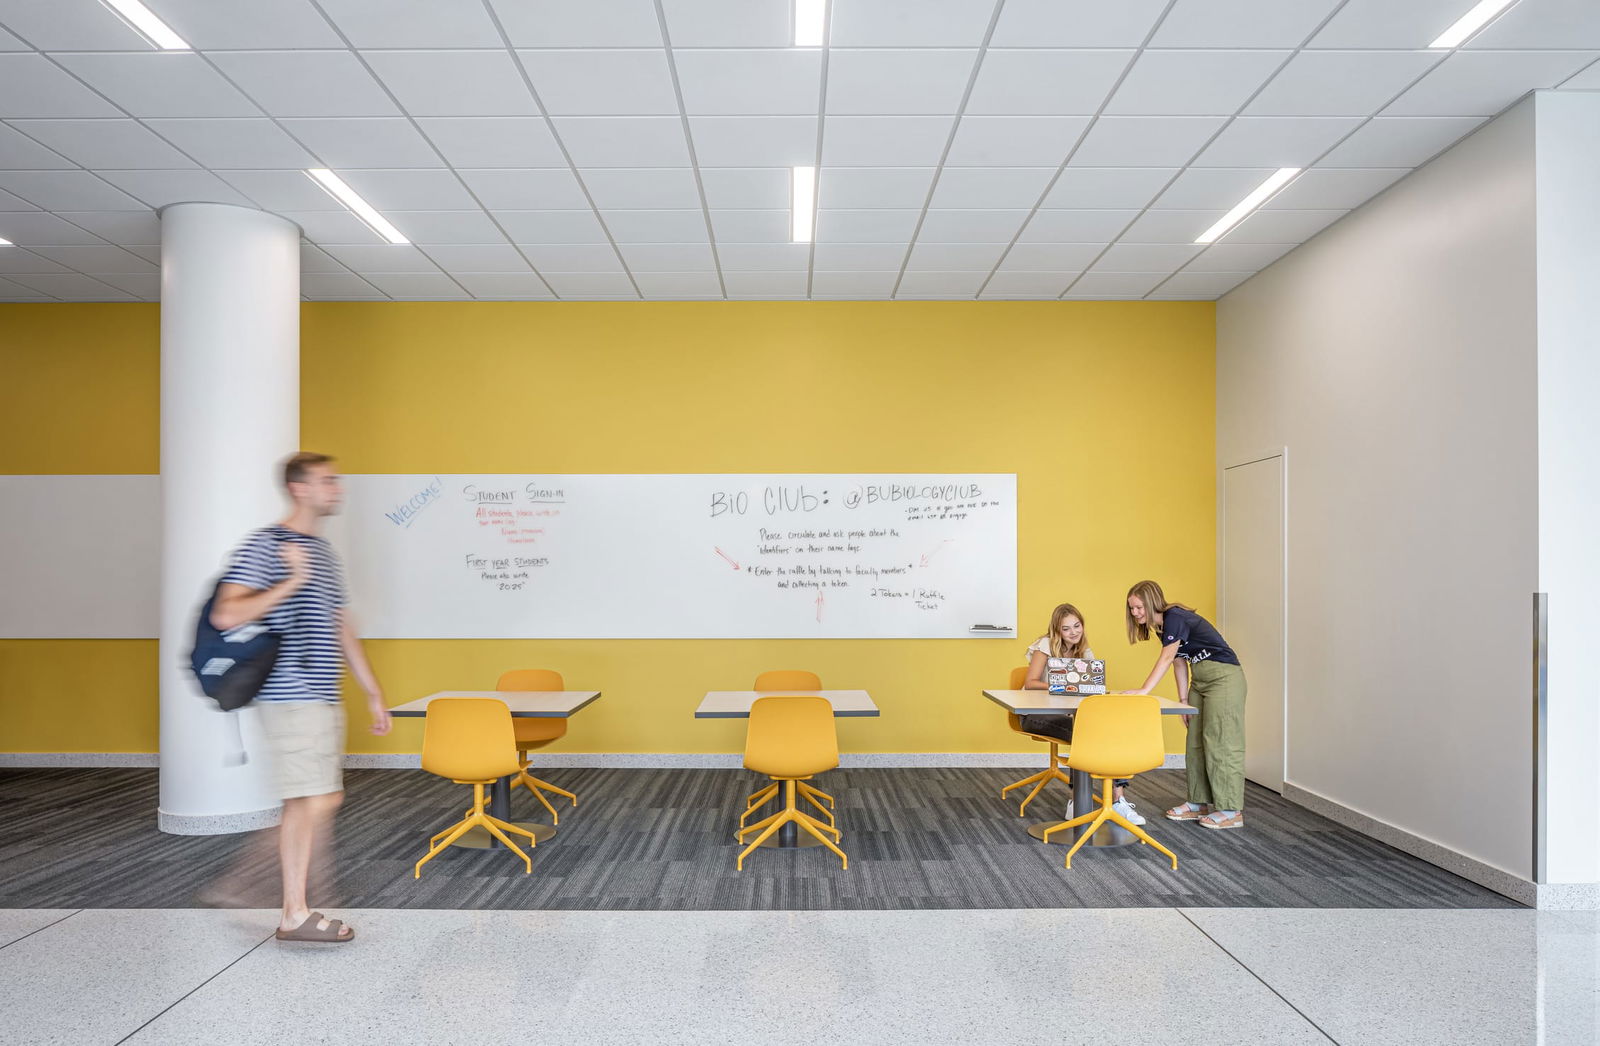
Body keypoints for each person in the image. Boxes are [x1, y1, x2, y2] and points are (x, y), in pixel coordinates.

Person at [210, 452, 392, 941]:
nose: (338, 489)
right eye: (327, 481)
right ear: (299, 488)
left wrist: (372, 690)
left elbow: (339, 625)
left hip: (321, 694)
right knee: (312, 798)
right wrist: (292, 579)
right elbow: (227, 614)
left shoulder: (324, 552)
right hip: (289, 693)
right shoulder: (267, 545)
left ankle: (266, 890)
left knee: (317, 797)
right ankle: (289, 908)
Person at [1121, 580, 1247, 830]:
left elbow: (1167, 657)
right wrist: (1182, 700)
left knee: (1221, 741)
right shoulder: (1162, 628)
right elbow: (1179, 661)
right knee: (1195, 742)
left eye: (1138, 607)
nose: (1135, 613)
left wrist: (1145, 689)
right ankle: (1198, 802)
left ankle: (1231, 810)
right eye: (1131, 609)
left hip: (1224, 677)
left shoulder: (1175, 617)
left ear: (1151, 601)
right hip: (1200, 681)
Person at [1020, 602, 1143, 825]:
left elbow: (1089, 686)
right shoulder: (1045, 645)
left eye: (1077, 626)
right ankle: (1076, 800)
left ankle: (1118, 800)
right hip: (1035, 715)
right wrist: (1062, 685)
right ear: (1057, 631)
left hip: (1068, 715)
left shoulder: (1084, 650)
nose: (1073, 632)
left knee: (1109, 731)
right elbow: (1030, 683)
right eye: (1066, 628)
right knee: (1085, 734)